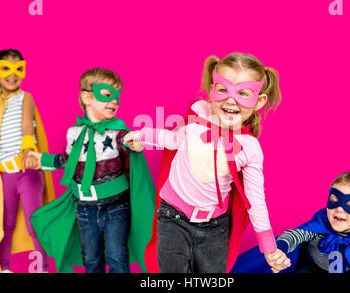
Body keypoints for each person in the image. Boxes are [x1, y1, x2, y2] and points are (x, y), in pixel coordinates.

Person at [124, 52, 289, 273]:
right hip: (172, 216)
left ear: (259, 101)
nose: (231, 100)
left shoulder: (249, 148)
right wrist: (142, 136)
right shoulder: (198, 114)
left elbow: (255, 200)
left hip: (215, 228)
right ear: (212, 89)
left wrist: (269, 248)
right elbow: (174, 138)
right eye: (223, 89)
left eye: (243, 93)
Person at [28, 68, 155, 273]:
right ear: (87, 97)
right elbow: (68, 162)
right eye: (107, 95)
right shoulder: (74, 133)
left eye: (118, 97)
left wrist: (134, 142)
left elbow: (126, 141)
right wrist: (41, 160)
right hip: (84, 208)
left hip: (116, 206)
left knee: (117, 257)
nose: (115, 101)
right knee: (91, 258)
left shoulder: (117, 131)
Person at [0, 49, 55, 273]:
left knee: (34, 222)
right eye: (6, 68)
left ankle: (44, 269)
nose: (12, 74)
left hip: (27, 171)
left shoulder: (25, 97)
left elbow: (28, 124)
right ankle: (4, 269)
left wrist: (29, 149)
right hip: (3, 175)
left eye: (18, 68)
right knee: (5, 224)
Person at [231, 171, 350, 273]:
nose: (340, 209)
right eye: (334, 201)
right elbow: (295, 235)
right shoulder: (318, 226)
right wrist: (281, 248)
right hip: (311, 269)